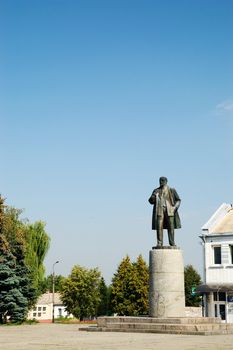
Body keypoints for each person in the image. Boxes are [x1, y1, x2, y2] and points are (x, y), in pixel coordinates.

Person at [148, 177, 181, 247]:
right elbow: (151, 201)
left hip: (170, 210)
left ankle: (172, 243)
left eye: (162, 181)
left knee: (171, 226)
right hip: (159, 210)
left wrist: (174, 207)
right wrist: (153, 197)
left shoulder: (172, 190)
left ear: (166, 181)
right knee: (159, 226)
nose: (161, 182)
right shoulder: (156, 190)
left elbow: (178, 200)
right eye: (160, 181)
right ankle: (159, 243)